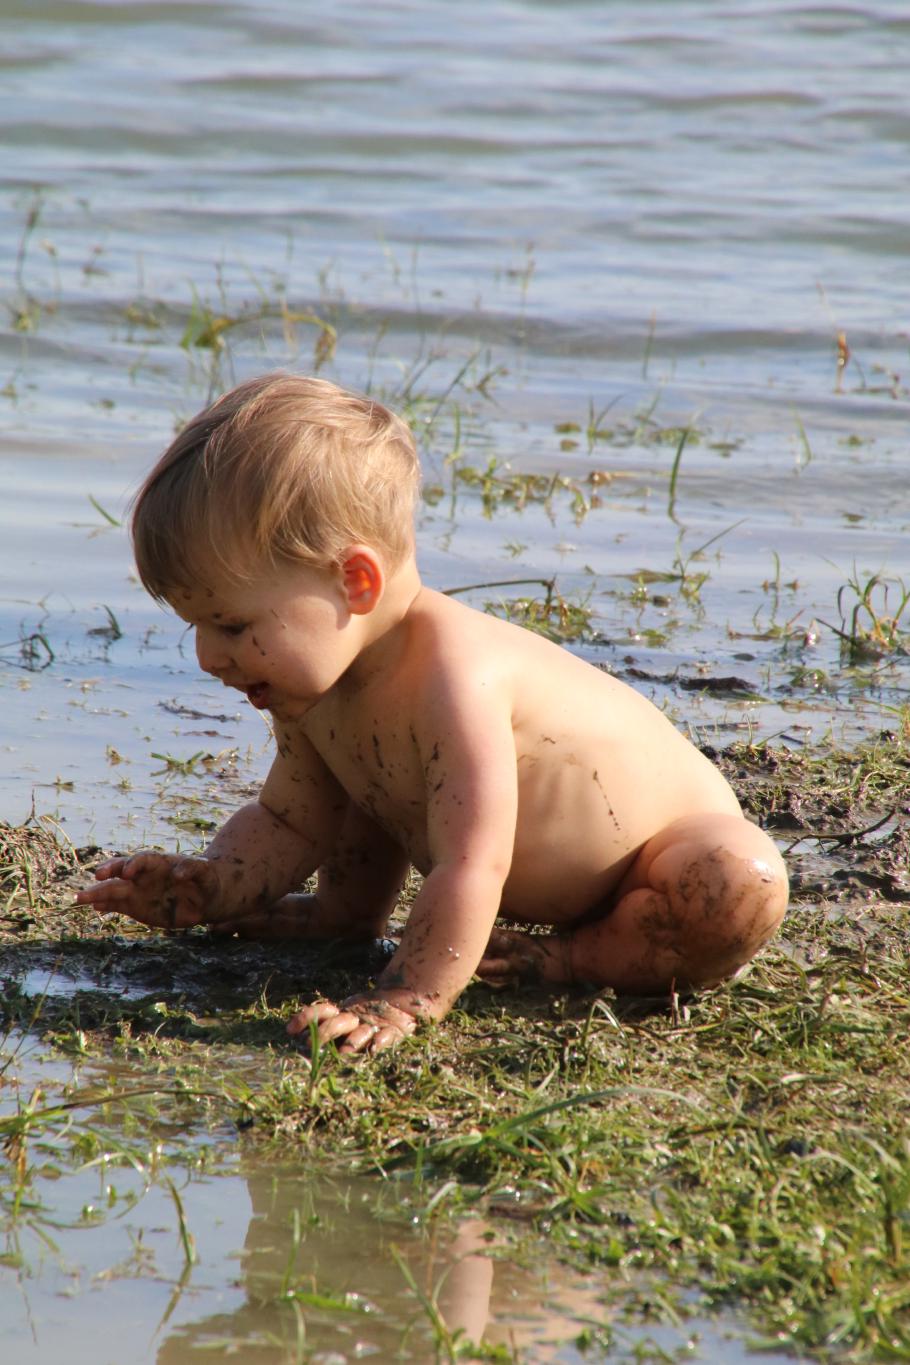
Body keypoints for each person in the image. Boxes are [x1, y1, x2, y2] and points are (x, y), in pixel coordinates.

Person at [75, 373, 788, 1054]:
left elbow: (473, 858)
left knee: (740, 881)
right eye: (196, 628)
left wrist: (408, 994)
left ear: (354, 581)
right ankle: (341, 920)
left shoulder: (456, 676)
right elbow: (292, 820)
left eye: (230, 626)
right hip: (529, 871)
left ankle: (571, 958)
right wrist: (212, 884)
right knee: (363, 778)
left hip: (660, 866)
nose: (207, 656)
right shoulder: (314, 686)